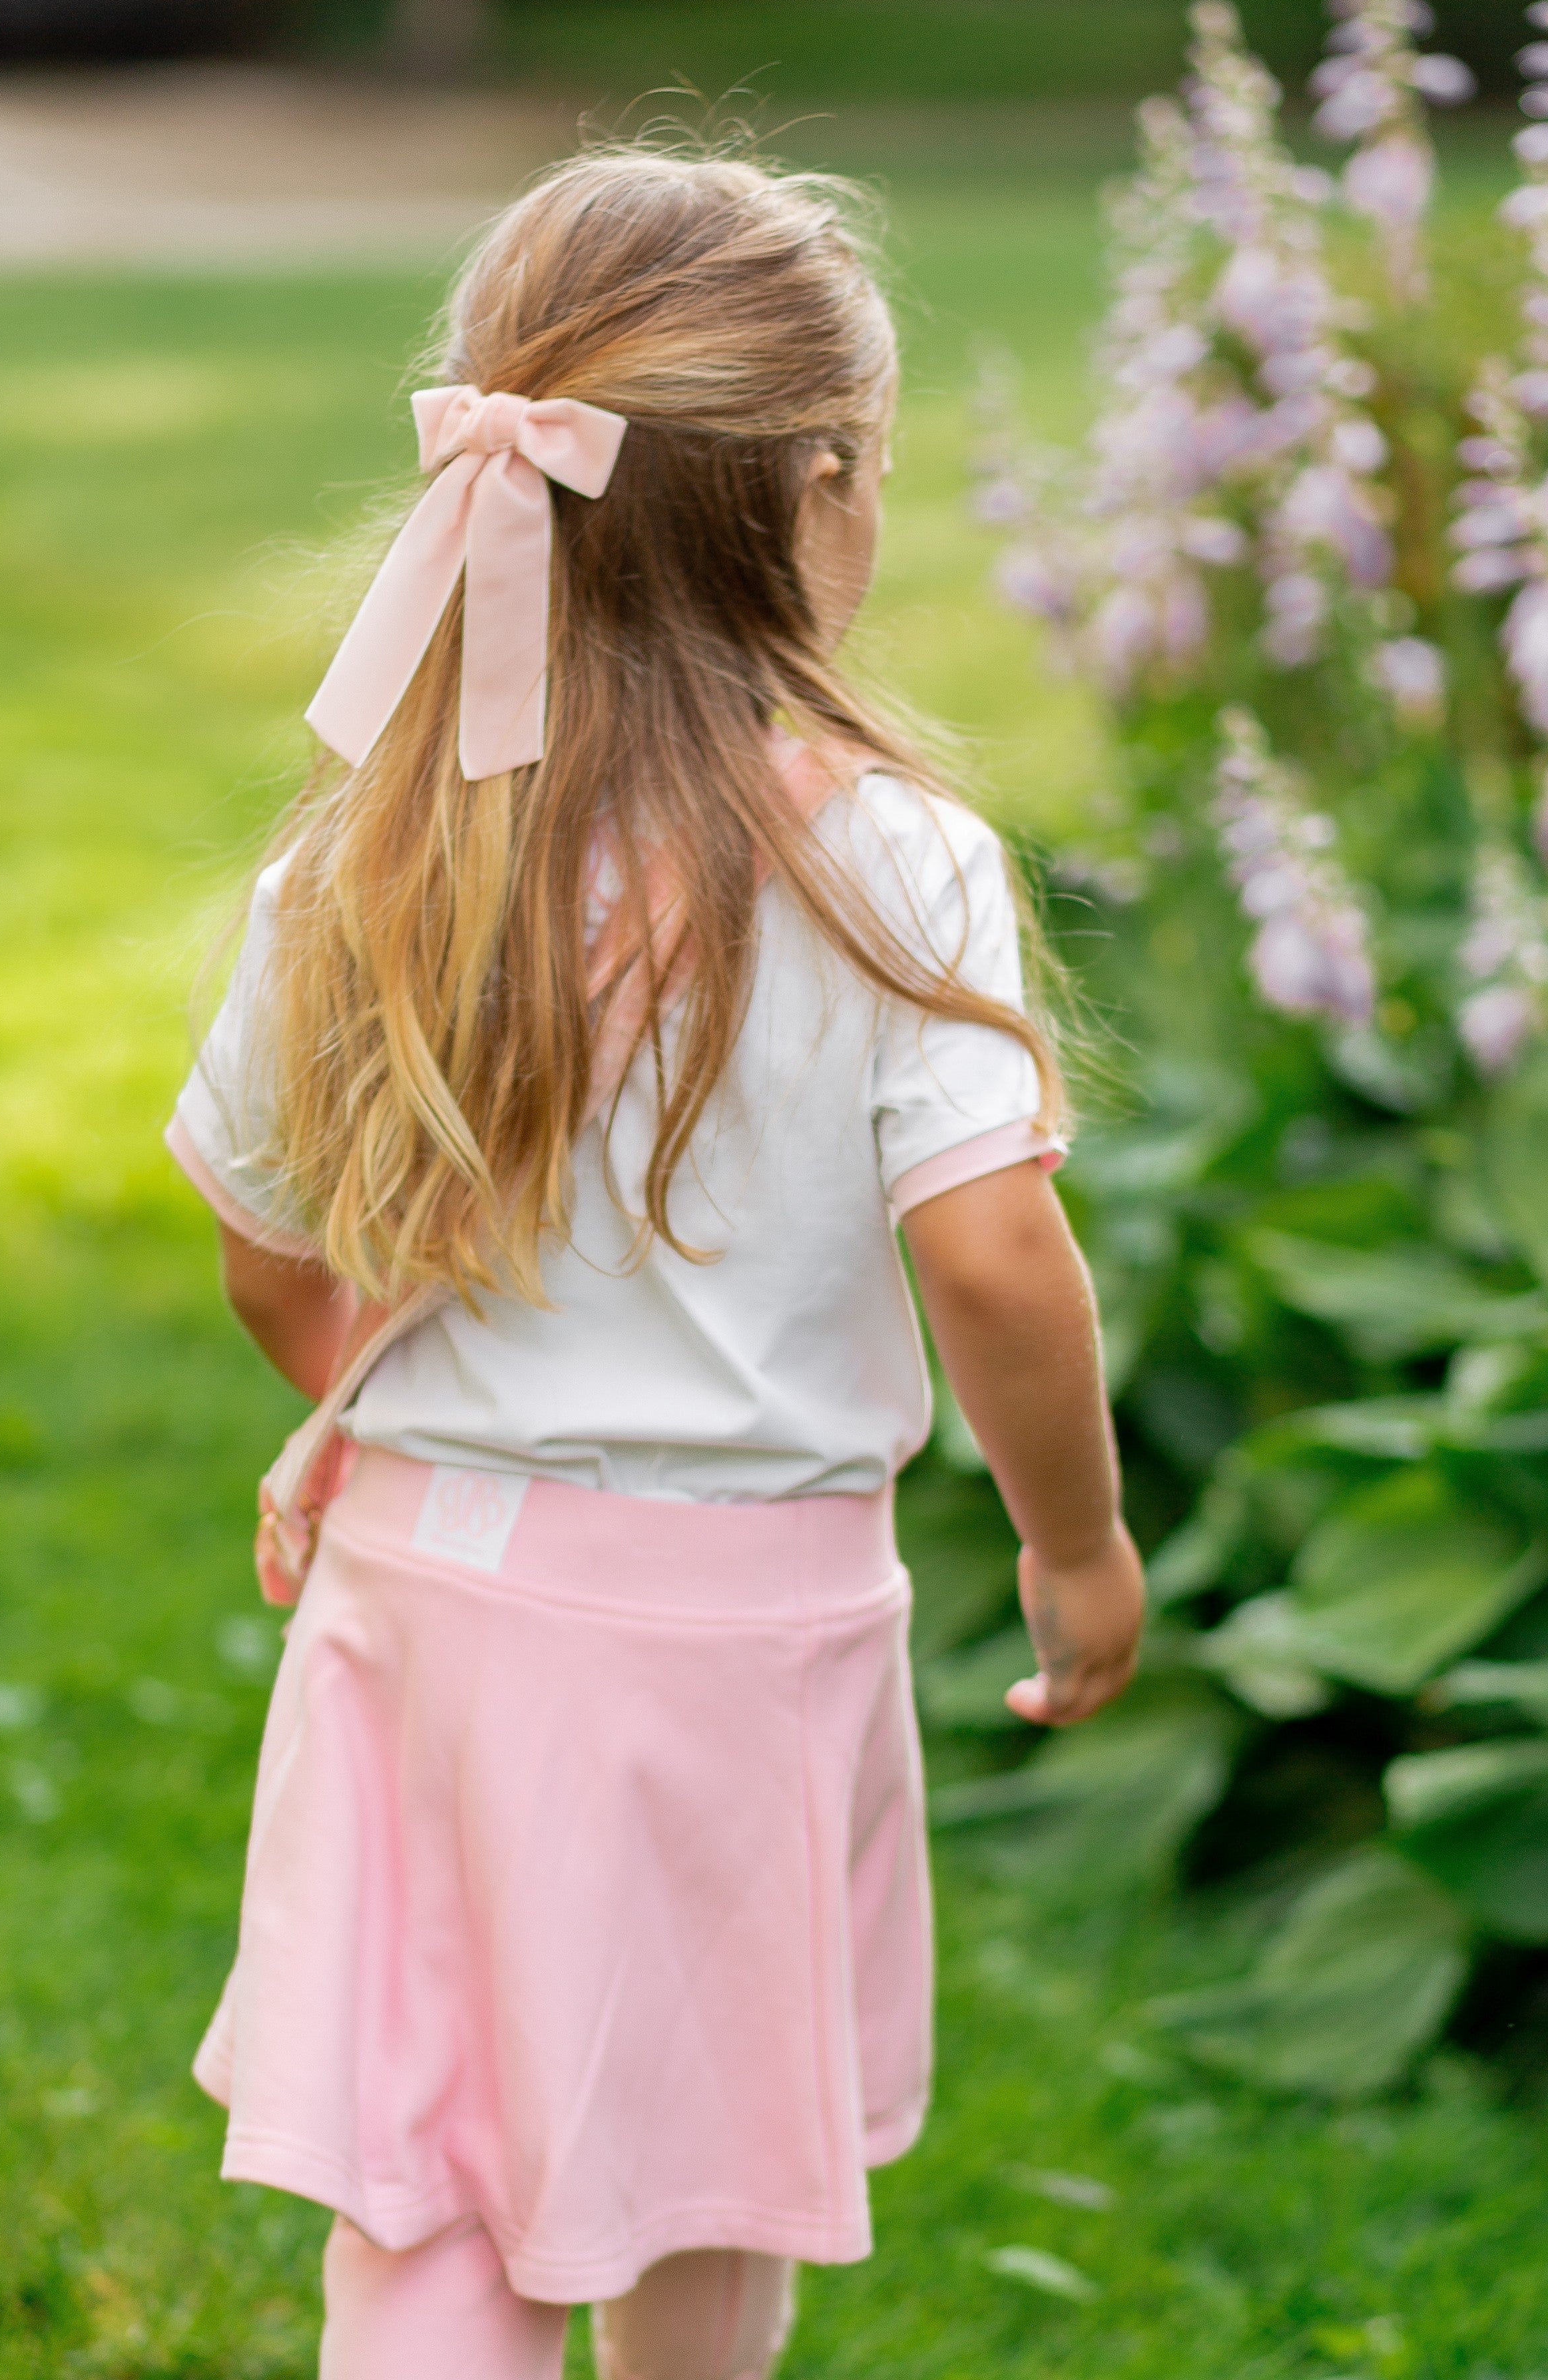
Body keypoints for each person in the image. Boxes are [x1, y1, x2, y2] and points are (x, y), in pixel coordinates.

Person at [166, 145, 1142, 2380]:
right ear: (816, 488)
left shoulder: (375, 857)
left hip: (426, 1605)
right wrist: (1074, 1541)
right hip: (740, 1637)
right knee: (705, 2182)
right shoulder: (891, 859)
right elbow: (994, 1250)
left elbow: (258, 1239)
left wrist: (377, 1414)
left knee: (427, 2199)